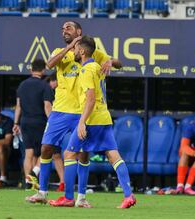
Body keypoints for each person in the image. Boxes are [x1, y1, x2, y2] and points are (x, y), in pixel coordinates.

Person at [26, 21, 122, 204]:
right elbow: (50, 64)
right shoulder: (59, 52)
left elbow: (119, 64)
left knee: (83, 153)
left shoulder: (90, 51)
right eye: (62, 29)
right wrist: (69, 47)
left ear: (79, 31)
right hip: (60, 111)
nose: (64, 31)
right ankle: (42, 193)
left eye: (68, 28)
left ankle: (81, 197)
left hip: (81, 112)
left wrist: (111, 61)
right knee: (46, 148)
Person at [48, 35, 136, 208]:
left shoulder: (86, 70)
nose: (72, 51)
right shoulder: (97, 66)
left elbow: (90, 99)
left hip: (92, 119)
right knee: (114, 156)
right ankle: (128, 195)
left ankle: (68, 198)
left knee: (69, 154)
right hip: (104, 117)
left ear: (81, 51)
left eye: (75, 48)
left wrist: (81, 122)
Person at [12, 59, 53, 190]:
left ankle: (27, 182)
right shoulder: (44, 86)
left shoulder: (22, 85)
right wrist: (52, 123)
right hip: (40, 122)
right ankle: (34, 172)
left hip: (25, 122)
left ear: (31, 70)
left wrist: (16, 122)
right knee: (46, 151)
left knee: (29, 153)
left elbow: (18, 106)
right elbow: (47, 106)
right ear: (43, 70)